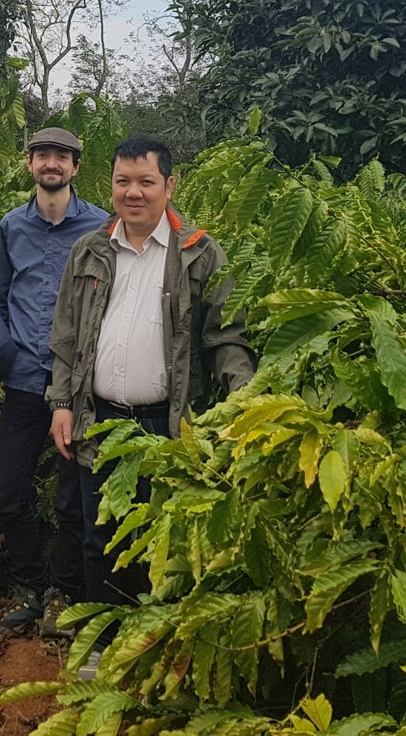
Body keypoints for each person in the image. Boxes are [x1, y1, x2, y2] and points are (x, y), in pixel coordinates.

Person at [47, 136, 255, 675]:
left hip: (167, 423)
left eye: (145, 182)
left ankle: (157, 647)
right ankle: (105, 644)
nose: (132, 193)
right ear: (109, 184)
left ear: (169, 185)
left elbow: (226, 336)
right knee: (101, 535)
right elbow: (67, 334)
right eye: (122, 182)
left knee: (164, 537)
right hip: (102, 418)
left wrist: (246, 400)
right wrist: (63, 402)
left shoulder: (200, 253)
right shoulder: (90, 250)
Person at [0, 127, 107, 636]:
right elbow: (2, 295)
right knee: (8, 493)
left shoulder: (103, 226)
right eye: (42, 155)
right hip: (23, 378)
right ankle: (29, 585)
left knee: (71, 499)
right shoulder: (12, 225)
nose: (51, 163)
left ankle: (63, 591)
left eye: (61, 156)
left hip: (80, 385)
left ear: (76, 167)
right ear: (30, 164)